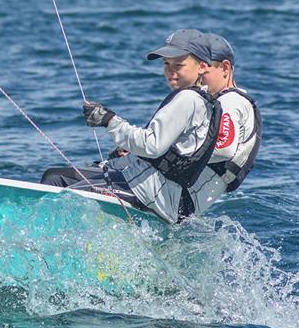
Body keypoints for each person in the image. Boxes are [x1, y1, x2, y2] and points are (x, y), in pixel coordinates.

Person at [41, 28, 221, 224]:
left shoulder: (188, 99)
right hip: (150, 186)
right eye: (166, 64)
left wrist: (109, 120)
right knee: (55, 176)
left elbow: (152, 146)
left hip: (147, 192)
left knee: (60, 193)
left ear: (202, 67)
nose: (170, 71)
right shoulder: (202, 100)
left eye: (179, 65)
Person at [189, 33, 261, 199]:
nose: (196, 78)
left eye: (203, 72)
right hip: (194, 191)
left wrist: (164, 151)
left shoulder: (230, 101)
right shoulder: (217, 102)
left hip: (190, 193)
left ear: (225, 68)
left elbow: (223, 149)